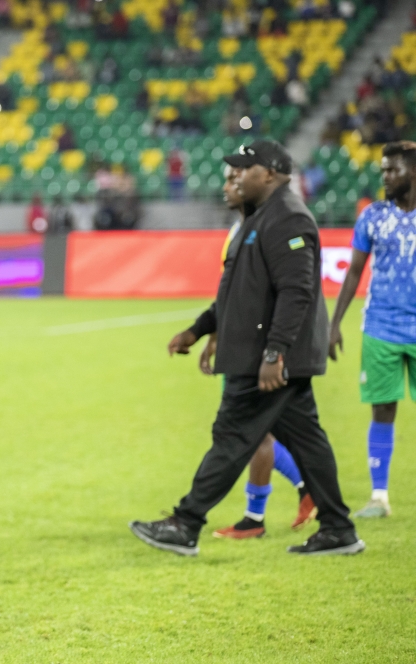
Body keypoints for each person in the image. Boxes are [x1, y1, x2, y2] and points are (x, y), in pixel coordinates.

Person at [130, 140, 362, 556]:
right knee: (307, 440)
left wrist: (275, 353)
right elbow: (237, 295)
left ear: (270, 172)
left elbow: (298, 292)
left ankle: (185, 524)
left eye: (243, 168)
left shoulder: (287, 218)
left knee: (232, 435)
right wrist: (199, 329)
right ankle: (339, 529)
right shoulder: (258, 219)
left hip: (266, 359)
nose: (234, 176)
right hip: (264, 355)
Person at [200, 164, 316, 539]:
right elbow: (232, 297)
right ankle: (305, 488)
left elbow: (284, 292)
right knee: (265, 432)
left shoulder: (266, 229)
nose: (228, 187)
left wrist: (271, 351)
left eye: (235, 180)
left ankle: (254, 517)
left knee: (253, 434)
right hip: (245, 346)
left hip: (257, 350)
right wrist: (213, 336)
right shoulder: (241, 231)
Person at [328, 140, 416, 518]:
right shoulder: (373, 216)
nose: (385, 176)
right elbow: (354, 273)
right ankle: (379, 497)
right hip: (380, 325)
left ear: (412, 172)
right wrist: (334, 323)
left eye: (392, 170)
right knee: (382, 410)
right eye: (383, 170)